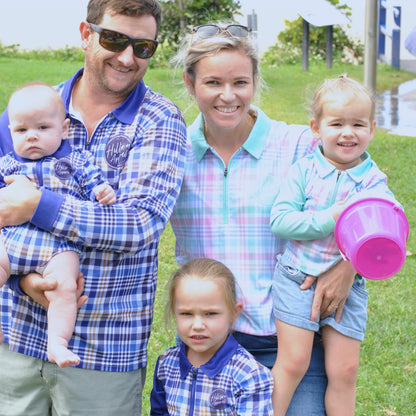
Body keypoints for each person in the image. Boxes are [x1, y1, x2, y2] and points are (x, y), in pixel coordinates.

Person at [0, 0, 186, 414]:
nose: (127, 57)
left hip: (103, 350)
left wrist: (36, 206)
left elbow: (140, 223)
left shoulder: (160, 119)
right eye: (115, 39)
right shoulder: (30, 109)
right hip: (14, 338)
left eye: (143, 47)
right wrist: (22, 282)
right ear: (86, 34)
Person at [170, 23, 357, 415]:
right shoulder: (173, 153)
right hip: (208, 343)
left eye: (240, 81)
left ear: (254, 81)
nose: (228, 95)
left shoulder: (298, 146)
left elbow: (369, 207)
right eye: (212, 82)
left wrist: (348, 265)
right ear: (190, 83)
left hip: (292, 340)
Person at [270, 75, 400, 416]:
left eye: (358, 124)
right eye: (336, 123)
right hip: (297, 277)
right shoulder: (304, 171)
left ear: (371, 129)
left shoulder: (373, 182)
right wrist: (332, 217)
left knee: (345, 371)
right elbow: (281, 221)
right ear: (316, 128)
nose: (348, 132)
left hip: (349, 286)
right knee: (294, 362)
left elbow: (389, 231)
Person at [0, 82, 116, 368]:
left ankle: (58, 343)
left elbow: (96, 188)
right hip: (10, 242)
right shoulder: (8, 165)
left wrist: (103, 192)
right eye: (22, 131)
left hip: (58, 247)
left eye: (42, 128)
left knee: (65, 287)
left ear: (63, 129)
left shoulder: (76, 161)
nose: (32, 137)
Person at [150, 258, 273, 415]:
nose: (198, 325)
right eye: (186, 314)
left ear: (234, 313)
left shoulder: (249, 375)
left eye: (210, 314)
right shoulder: (166, 365)